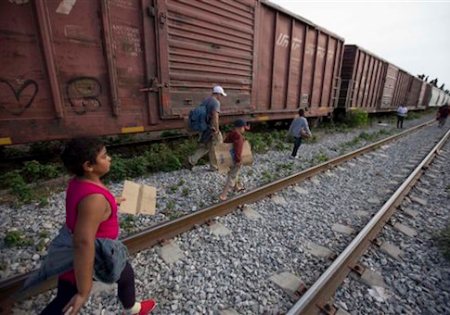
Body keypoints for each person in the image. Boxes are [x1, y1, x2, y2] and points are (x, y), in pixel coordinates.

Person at [38, 138, 156, 315]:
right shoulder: (95, 200)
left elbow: (85, 209)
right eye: (104, 156)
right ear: (88, 166)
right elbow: (83, 243)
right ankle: (132, 308)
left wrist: (111, 201)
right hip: (96, 253)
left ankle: (132, 308)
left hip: (83, 245)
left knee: (125, 273)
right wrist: (84, 291)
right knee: (69, 298)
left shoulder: (79, 182)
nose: (109, 159)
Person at [186, 86, 226, 170]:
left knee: (206, 146)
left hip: (204, 128)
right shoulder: (215, 102)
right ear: (218, 94)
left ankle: (191, 161)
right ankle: (214, 166)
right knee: (217, 145)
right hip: (211, 128)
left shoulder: (206, 100)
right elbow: (215, 116)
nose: (221, 97)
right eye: (221, 95)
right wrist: (217, 129)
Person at [219, 119, 249, 201]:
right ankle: (223, 194)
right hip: (235, 159)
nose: (244, 130)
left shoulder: (231, 134)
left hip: (228, 158)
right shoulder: (239, 137)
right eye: (244, 128)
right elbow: (238, 149)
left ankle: (237, 187)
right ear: (240, 127)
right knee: (232, 175)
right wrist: (238, 160)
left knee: (235, 172)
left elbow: (225, 144)